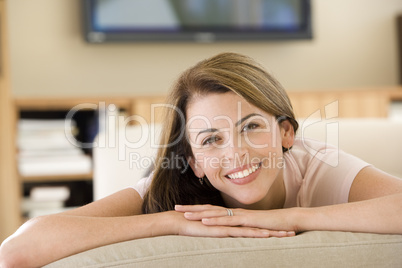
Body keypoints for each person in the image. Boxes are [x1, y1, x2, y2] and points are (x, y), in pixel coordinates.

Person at [1, 52, 402, 268]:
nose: (235, 153)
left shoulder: (317, 164)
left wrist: (289, 218)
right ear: (193, 161)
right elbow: (16, 252)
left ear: (286, 133)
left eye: (250, 127)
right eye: (211, 139)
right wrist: (172, 223)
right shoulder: (170, 191)